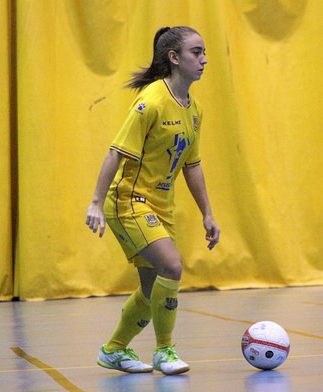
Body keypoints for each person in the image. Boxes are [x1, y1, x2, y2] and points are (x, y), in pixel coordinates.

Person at [86, 25, 220, 376]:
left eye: (205, 52)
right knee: (172, 267)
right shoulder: (152, 100)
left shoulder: (195, 109)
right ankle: (165, 351)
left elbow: (192, 166)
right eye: (196, 52)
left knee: (151, 289)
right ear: (174, 58)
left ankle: (114, 349)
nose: (204, 59)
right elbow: (115, 153)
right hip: (129, 200)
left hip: (161, 207)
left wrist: (208, 213)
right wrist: (96, 203)